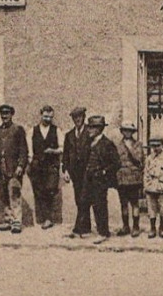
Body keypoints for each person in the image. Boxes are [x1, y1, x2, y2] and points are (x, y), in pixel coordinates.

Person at [82, 114, 120, 245]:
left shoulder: (107, 144)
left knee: (100, 205)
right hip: (89, 178)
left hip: (100, 180)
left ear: (99, 129)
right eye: (89, 128)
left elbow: (116, 163)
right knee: (87, 202)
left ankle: (103, 232)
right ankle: (91, 229)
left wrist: (104, 171)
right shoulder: (88, 142)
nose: (89, 130)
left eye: (91, 128)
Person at [0, 104, 30, 233]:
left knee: (14, 194)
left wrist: (21, 165)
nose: (4, 116)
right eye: (2, 114)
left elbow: (23, 150)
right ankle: (8, 219)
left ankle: (16, 221)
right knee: (3, 195)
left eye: (7, 113)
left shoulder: (17, 130)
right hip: (1, 169)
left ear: (11, 115)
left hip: (14, 168)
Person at [30, 105, 64, 228]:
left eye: (50, 117)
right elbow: (30, 151)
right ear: (40, 115)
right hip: (38, 166)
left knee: (50, 190)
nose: (47, 119)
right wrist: (31, 163)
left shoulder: (56, 130)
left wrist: (53, 151)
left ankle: (49, 218)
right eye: (45, 116)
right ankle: (43, 218)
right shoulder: (33, 130)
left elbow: (62, 148)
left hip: (51, 166)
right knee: (39, 192)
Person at [62, 106, 92, 237]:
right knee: (78, 198)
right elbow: (65, 155)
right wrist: (66, 170)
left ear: (83, 117)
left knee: (84, 198)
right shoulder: (69, 135)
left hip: (88, 171)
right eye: (75, 117)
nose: (77, 120)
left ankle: (79, 226)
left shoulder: (90, 132)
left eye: (79, 117)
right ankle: (86, 225)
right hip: (75, 173)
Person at [116, 121, 145, 236]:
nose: (127, 132)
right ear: (122, 132)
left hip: (133, 178)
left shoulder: (137, 144)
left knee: (134, 203)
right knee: (123, 204)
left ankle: (136, 227)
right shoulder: (118, 145)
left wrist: (130, 148)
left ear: (132, 132)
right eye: (125, 130)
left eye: (129, 130)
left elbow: (139, 159)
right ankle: (125, 226)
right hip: (122, 178)